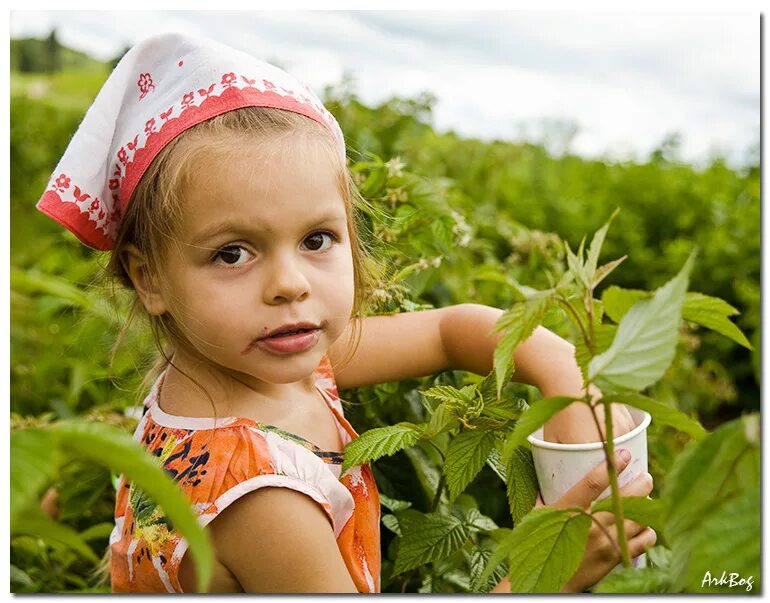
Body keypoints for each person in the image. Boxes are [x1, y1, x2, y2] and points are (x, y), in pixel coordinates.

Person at [37, 32, 655, 594]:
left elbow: (446, 331)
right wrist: (544, 576)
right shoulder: (262, 501)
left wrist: (556, 364)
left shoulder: (250, 363)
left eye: (316, 240)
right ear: (150, 279)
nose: (289, 285)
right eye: (232, 253)